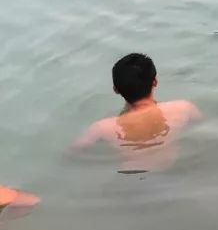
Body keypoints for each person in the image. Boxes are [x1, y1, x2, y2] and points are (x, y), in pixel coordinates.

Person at [74, 53, 202, 172]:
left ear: (115, 90)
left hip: (132, 180)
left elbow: (72, 154)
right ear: (155, 82)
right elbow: (203, 130)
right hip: (175, 170)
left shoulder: (102, 128)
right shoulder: (183, 108)